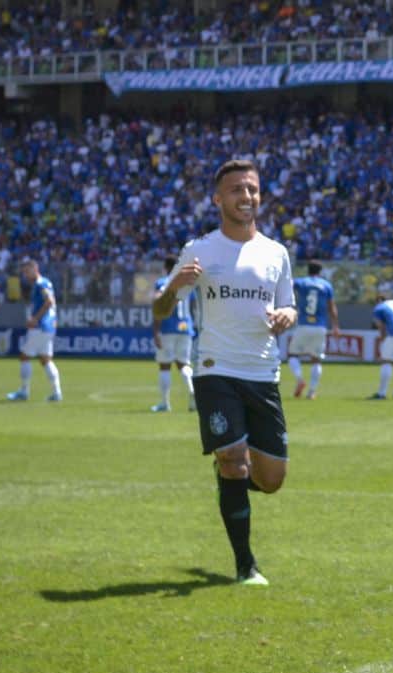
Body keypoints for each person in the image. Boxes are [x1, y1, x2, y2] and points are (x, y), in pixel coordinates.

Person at [154, 159, 296, 586]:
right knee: (236, 463)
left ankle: (227, 474)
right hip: (216, 369)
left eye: (251, 189)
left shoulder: (276, 253)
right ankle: (245, 565)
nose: (246, 197)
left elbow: (288, 303)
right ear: (218, 199)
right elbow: (161, 310)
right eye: (236, 190)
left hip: (262, 373)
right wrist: (174, 285)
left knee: (270, 479)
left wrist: (286, 315)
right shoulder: (200, 250)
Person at [7, 259, 62, 402]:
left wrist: (35, 319)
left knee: (24, 356)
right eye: (24, 272)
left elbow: (49, 301)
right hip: (49, 326)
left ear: (35, 269)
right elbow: (52, 303)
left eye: (27, 271)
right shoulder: (46, 282)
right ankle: (57, 393)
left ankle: (24, 392)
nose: (25, 275)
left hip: (40, 326)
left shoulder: (40, 283)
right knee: (45, 359)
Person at [151, 255, 197, 413]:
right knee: (184, 364)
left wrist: (156, 331)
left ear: (166, 267)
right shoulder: (187, 284)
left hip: (167, 328)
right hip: (185, 328)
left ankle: (165, 403)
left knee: (165, 366)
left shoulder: (162, 282)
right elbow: (193, 307)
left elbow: (158, 307)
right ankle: (192, 392)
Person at [287, 260, 339, 400]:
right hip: (320, 326)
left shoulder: (301, 282)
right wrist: (335, 326)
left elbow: (287, 284)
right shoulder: (326, 285)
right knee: (316, 360)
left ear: (308, 270)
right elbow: (332, 307)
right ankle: (312, 392)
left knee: (292, 355)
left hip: (303, 324)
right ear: (320, 272)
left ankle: (299, 379)